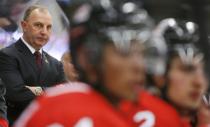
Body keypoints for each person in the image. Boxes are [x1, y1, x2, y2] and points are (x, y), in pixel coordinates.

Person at [13, 0, 152, 126]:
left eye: (142, 53)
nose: (139, 66)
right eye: (124, 52)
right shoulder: (58, 107)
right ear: (87, 57)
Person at [119, 18, 209, 127]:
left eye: (204, 71)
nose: (199, 82)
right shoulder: (129, 112)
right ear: (159, 75)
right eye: (187, 70)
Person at [0, 5, 65, 124]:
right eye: (38, 25)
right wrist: (52, 91)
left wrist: (36, 90)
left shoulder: (56, 65)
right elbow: (15, 94)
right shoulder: (6, 55)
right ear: (24, 26)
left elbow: (64, 98)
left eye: (48, 27)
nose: (44, 32)